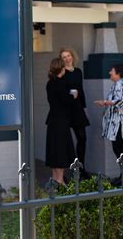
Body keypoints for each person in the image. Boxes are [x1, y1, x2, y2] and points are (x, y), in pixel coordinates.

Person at [94, 64, 123, 185]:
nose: (110, 72)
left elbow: (119, 100)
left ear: (118, 73)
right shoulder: (117, 85)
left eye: (112, 70)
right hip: (116, 123)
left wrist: (105, 102)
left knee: (119, 149)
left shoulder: (120, 85)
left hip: (119, 123)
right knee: (118, 149)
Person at [45, 57, 77, 185]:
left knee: (54, 150)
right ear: (61, 68)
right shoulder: (61, 83)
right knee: (61, 151)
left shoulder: (50, 83)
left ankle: (54, 178)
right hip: (61, 122)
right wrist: (73, 96)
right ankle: (60, 180)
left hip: (52, 120)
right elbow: (65, 101)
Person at [59, 48, 90, 178]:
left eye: (68, 56)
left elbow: (81, 89)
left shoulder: (78, 71)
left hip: (77, 108)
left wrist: (84, 107)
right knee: (65, 141)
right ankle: (65, 171)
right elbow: (59, 91)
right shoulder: (61, 73)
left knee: (82, 138)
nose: (67, 58)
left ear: (72, 56)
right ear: (61, 60)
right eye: (64, 57)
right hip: (66, 109)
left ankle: (81, 168)